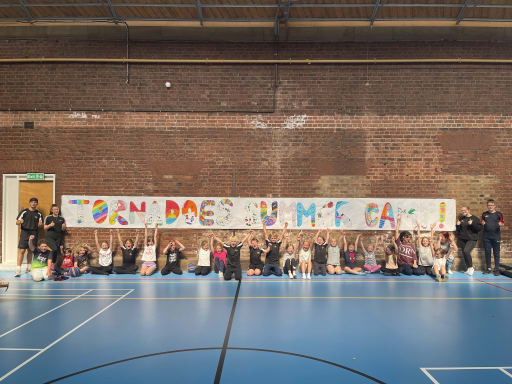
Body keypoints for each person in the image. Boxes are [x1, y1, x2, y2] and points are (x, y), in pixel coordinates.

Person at [15, 197, 43, 277]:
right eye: (32, 202)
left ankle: (28, 268)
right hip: (24, 232)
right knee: (22, 250)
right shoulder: (24, 212)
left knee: (31, 250)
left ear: (37, 204)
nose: (33, 204)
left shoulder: (39, 213)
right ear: (29, 203)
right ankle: (18, 269)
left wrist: (40, 225)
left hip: (33, 232)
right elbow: (17, 222)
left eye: (35, 202)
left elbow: (40, 225)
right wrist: (20, 221)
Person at [455, 206, 482, 276]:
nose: (463, 212)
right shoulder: (461, 219)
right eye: (462, 211)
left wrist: (472, 224)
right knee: (464, 254)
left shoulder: (474, 218)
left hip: (472, 239)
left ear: (468, 210)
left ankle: (471, 268)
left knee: (466, 251)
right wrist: (457, 225)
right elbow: (458, 230)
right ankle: (468, 268)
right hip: (462, 239)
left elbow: (479, 229)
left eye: (465, 210)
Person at [481, 199, 504, 276]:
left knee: (496, 253)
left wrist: (501, 224)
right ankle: (488, 268)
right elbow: (482, 222)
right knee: (487, 253)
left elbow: (502, 223)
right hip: (486, 237)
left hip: (496, 236)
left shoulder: (499, 214)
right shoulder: (484, 214)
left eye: (491, 205)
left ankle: (496, 269)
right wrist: (482, 223)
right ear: (487, 206)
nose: (490, 207)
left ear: (494, 206)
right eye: (489, 205)